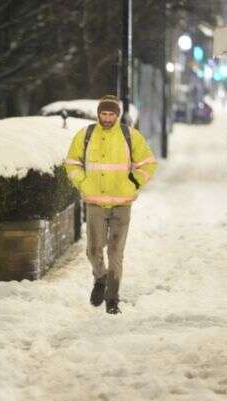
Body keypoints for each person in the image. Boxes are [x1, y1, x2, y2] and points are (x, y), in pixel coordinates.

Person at [64, 95, 158, 314]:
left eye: (111, 114)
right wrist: (83, 181)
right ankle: (100, 278)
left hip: (122, 204)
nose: (107, 118)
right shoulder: (85, 135)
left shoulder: (129, 135)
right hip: (95, 201)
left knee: (116, 252)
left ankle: (112, 298)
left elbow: (148, 163)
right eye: (104, 114)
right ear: (98, 115)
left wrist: (133, 181)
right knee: (93, 250)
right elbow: (72, 162)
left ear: (117, 115)